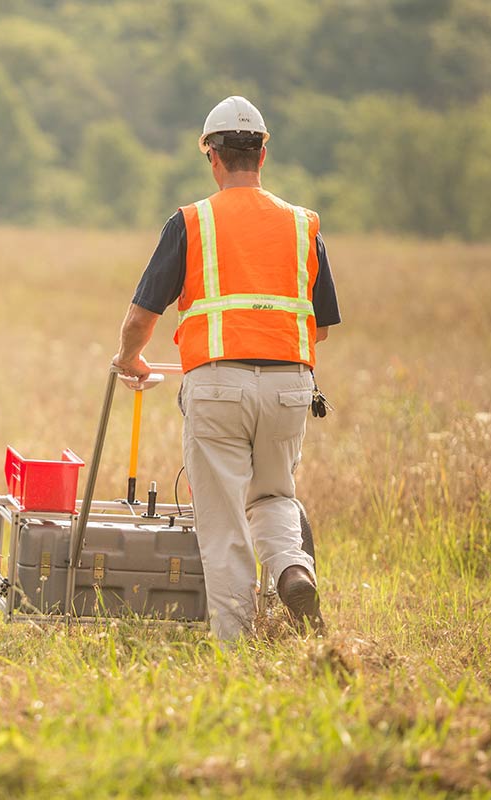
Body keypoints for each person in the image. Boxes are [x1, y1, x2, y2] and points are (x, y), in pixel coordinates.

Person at [111, 95, 341, 641]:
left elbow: (143, 314)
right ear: (263, 155)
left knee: (223, 521)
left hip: (216, 388)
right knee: (274, 496)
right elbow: (322, 327)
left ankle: (234, 647)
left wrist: (129, 360)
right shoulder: (302, 225)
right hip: (291, 386)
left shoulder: (192, 221)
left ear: (211, 157)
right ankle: (292, 568)